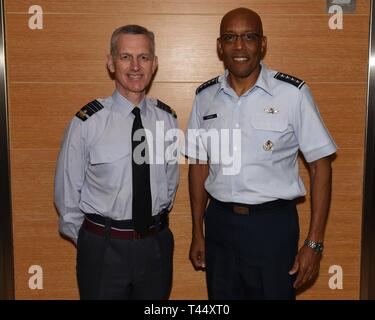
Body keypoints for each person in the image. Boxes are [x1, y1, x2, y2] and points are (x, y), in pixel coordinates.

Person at [182, 8, 337, 300]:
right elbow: (199, 166)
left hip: (273, 227)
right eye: (230, 38)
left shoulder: (292, 94)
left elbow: (321, 166)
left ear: (262, 43)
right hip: (219, 224)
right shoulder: (205, 98)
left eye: (249, 37)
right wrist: (197, 230)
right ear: (219, 45)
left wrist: (314, 243)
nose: (239, 47)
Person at [54, 25, 179, 300]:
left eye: (144, 57)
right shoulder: (87, 122)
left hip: (155, 246)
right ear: (110, 63)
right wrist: (93, 241)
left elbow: (170, 183)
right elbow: (67, 194)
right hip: (103, 248)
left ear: (154, 64)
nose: (135, 66)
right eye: (125, 57)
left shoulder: (167, 119)